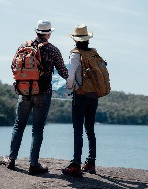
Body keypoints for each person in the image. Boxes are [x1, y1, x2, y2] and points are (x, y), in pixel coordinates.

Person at [6, 20, 68, 175]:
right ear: (48, 33)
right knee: (37, 128)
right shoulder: (53, 50)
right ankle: (33, 164)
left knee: (19, 124)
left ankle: (11, 159)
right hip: (43, 92)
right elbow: (63, 72)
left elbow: (13, 66)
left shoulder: (23, 46)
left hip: (24, 92)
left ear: (36, 32)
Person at [62, 24, 100, 177]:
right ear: (87, 39)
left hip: (80, 95)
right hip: (93, 96)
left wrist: (68, 87)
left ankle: (76, 164)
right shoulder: (94, 53)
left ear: (75, 40)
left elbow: (71, 77)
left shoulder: (75, 54)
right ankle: (90, 162)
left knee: (78, 130)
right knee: (90, 129)